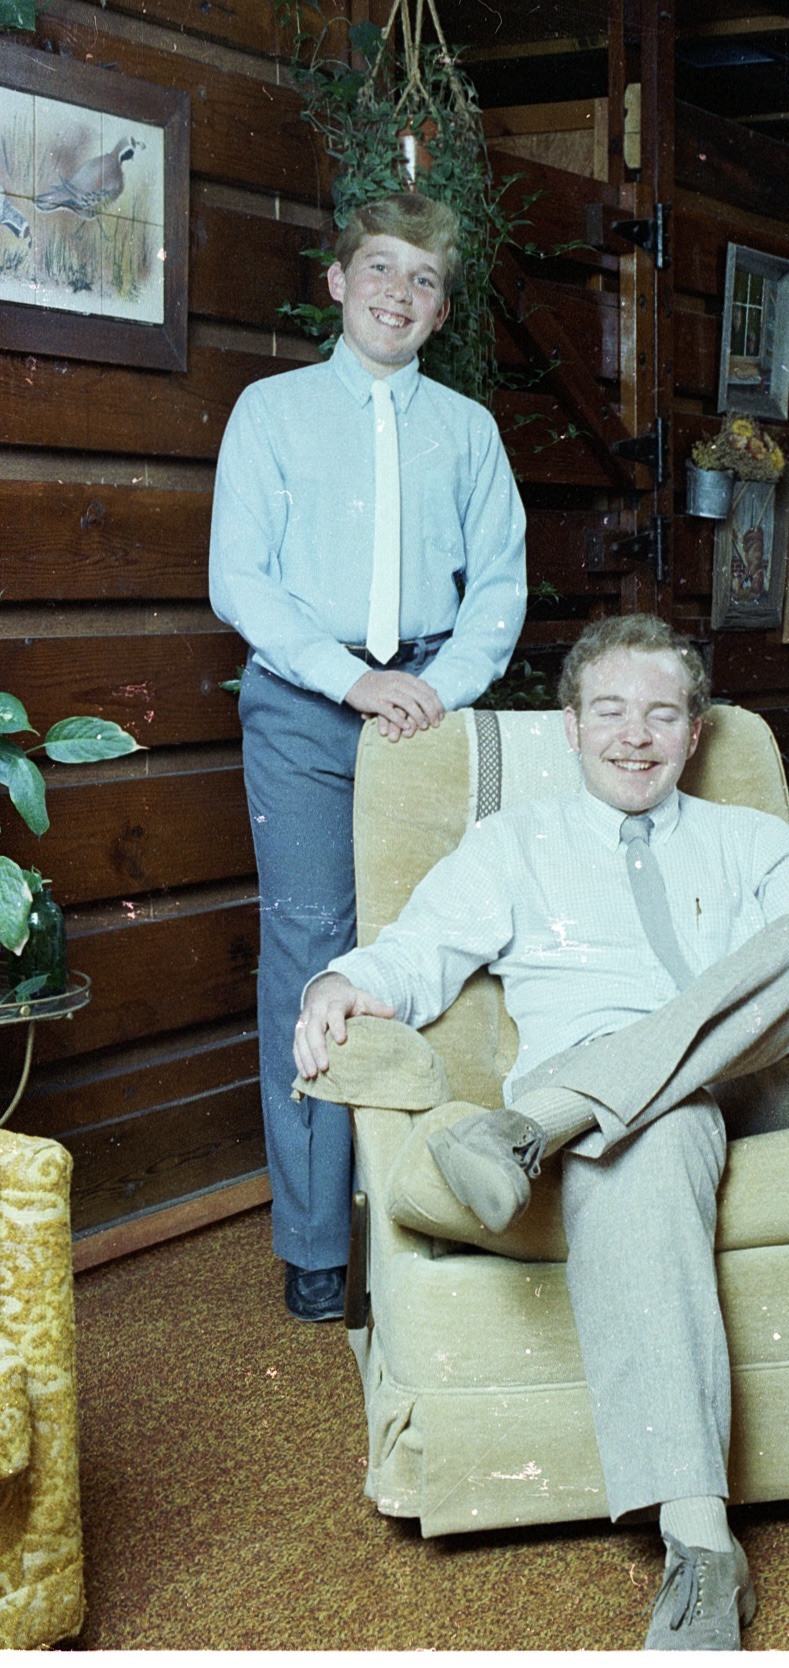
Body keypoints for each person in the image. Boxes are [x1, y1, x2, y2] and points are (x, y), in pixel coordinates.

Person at [293, 613, 789, 1650]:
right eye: (611, 712)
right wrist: (336, 986)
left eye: (662, 714)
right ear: (572, 725)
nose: (635, 736)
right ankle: (702, 1550)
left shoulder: (752, 840)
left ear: (694, 731)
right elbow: (413, 951)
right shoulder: (513, 844)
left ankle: (540, 1124)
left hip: (756, 1087)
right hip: (633, 1117)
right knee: (652, 1128)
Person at [209, 193, 527, 1322]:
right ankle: (315, 1243)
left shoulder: (467, 431)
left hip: (430, 706)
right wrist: (348, 680)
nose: (399, 294)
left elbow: (498, 585)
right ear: (339, 282)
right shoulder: (270, 412)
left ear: (441, 310)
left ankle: (426, 1206)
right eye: (380, 271)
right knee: (310, 946)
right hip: (305, 701)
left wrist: (433, 692)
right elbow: (240, 579)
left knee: (430, 938)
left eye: (424, 281)